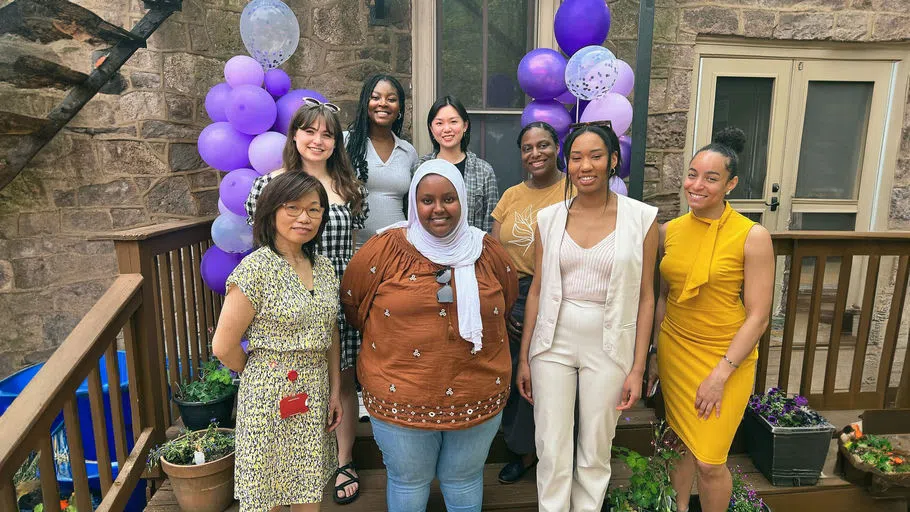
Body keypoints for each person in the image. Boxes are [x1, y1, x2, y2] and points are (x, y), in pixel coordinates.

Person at [341, 159, 517, 512]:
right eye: (427, 200)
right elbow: (354, 305)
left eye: (449, 198)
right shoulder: (383, 250)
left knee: (464, 479)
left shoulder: (488, 252)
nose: (439, 209)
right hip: (400, 395)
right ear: (414, 203)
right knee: (408, 482)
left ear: (462, 201)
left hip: (477, 392)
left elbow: (506, 302)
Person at [516, 123, 658, 511]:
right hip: (552, 341)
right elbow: (538, 290)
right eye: (576, 157)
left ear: (613, 160)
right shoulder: (549, 218)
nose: (585, 165)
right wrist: (527, 355)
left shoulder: (642, 219)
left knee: (596, 446)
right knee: (551, 444)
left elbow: (647, 297)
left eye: (596, 155)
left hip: (610, 341)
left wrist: (638, 367)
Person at [244, 99, 368, 505]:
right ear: (294, 135)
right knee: (292, 385)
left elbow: (352, 244)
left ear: (336, 143)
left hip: (339, 295)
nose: (318, 140)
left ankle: (343, 459)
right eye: (310, 131)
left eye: (327, 134)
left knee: (343, 379)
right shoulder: (269, 183)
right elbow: (263, 243)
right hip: (290, 299)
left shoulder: (349, 186)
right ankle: (290, 465)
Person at [648, 127, 774, 512]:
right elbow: (663, 296)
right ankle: (681, 507)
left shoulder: (752, 236)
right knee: (681, 441)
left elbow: (759, 316)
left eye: (711, 178)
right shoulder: (668, 232)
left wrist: (720, 375)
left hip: (726, 357)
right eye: (692, 174)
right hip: (676, 349)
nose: (697, 185)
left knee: (710, 459)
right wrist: (654, 352)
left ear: (731, 184)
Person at [212, 172, 343, 512]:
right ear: (271, 211)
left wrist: (334, 390)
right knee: (267, 496)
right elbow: (223, 346)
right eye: (293, 207)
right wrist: (264, 371)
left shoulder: (324, 268)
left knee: (307, 492)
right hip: (268, 398)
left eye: (314, 210)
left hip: (313, 391)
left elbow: (331, 331)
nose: (304, 217)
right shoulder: (256, 270)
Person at [490, 121, 568, 484]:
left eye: (543, 145)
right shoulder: (511, 196)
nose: (535, 153)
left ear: (557, 147)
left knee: (543, 373)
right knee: (510, 374)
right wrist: (501, 302)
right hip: (510, 292)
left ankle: (532, 453)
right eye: (527, 148)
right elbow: (493, 251)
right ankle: (521, 446)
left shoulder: (573, 191)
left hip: (557, 290)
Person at [345, 74, 419, 250]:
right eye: (375, 97)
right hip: (354, 249)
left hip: (399, 249)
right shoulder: (346, 142)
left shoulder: (408, 152)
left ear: (399, 108)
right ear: (365, 103)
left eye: (391, 99)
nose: (383, 103)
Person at [417, 95, 498, 232]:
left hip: (472, 250)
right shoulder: (420, 168)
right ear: (431, 129)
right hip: (427, 250)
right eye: (439, 123)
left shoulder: (484, 171)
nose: (447, 129)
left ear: (465, 125)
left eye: (453, 122)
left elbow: (490, 225)